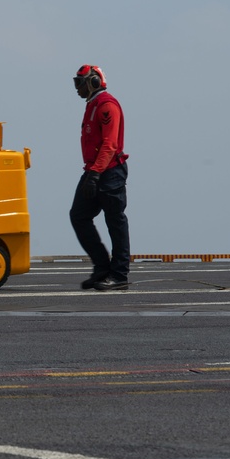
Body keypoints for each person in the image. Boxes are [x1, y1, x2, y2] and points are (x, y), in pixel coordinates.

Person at [69, 64, 130, 291]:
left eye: (79, 83)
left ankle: (119, 275)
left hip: (109, 172)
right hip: (94, 170)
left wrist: (95, 174)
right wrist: (92, 173)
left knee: (115, 221)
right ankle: (102, 268)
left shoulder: (106, 106)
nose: (77, 88)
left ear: (93, 82)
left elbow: (110, 144)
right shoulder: (92, 105)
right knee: (79, 215)